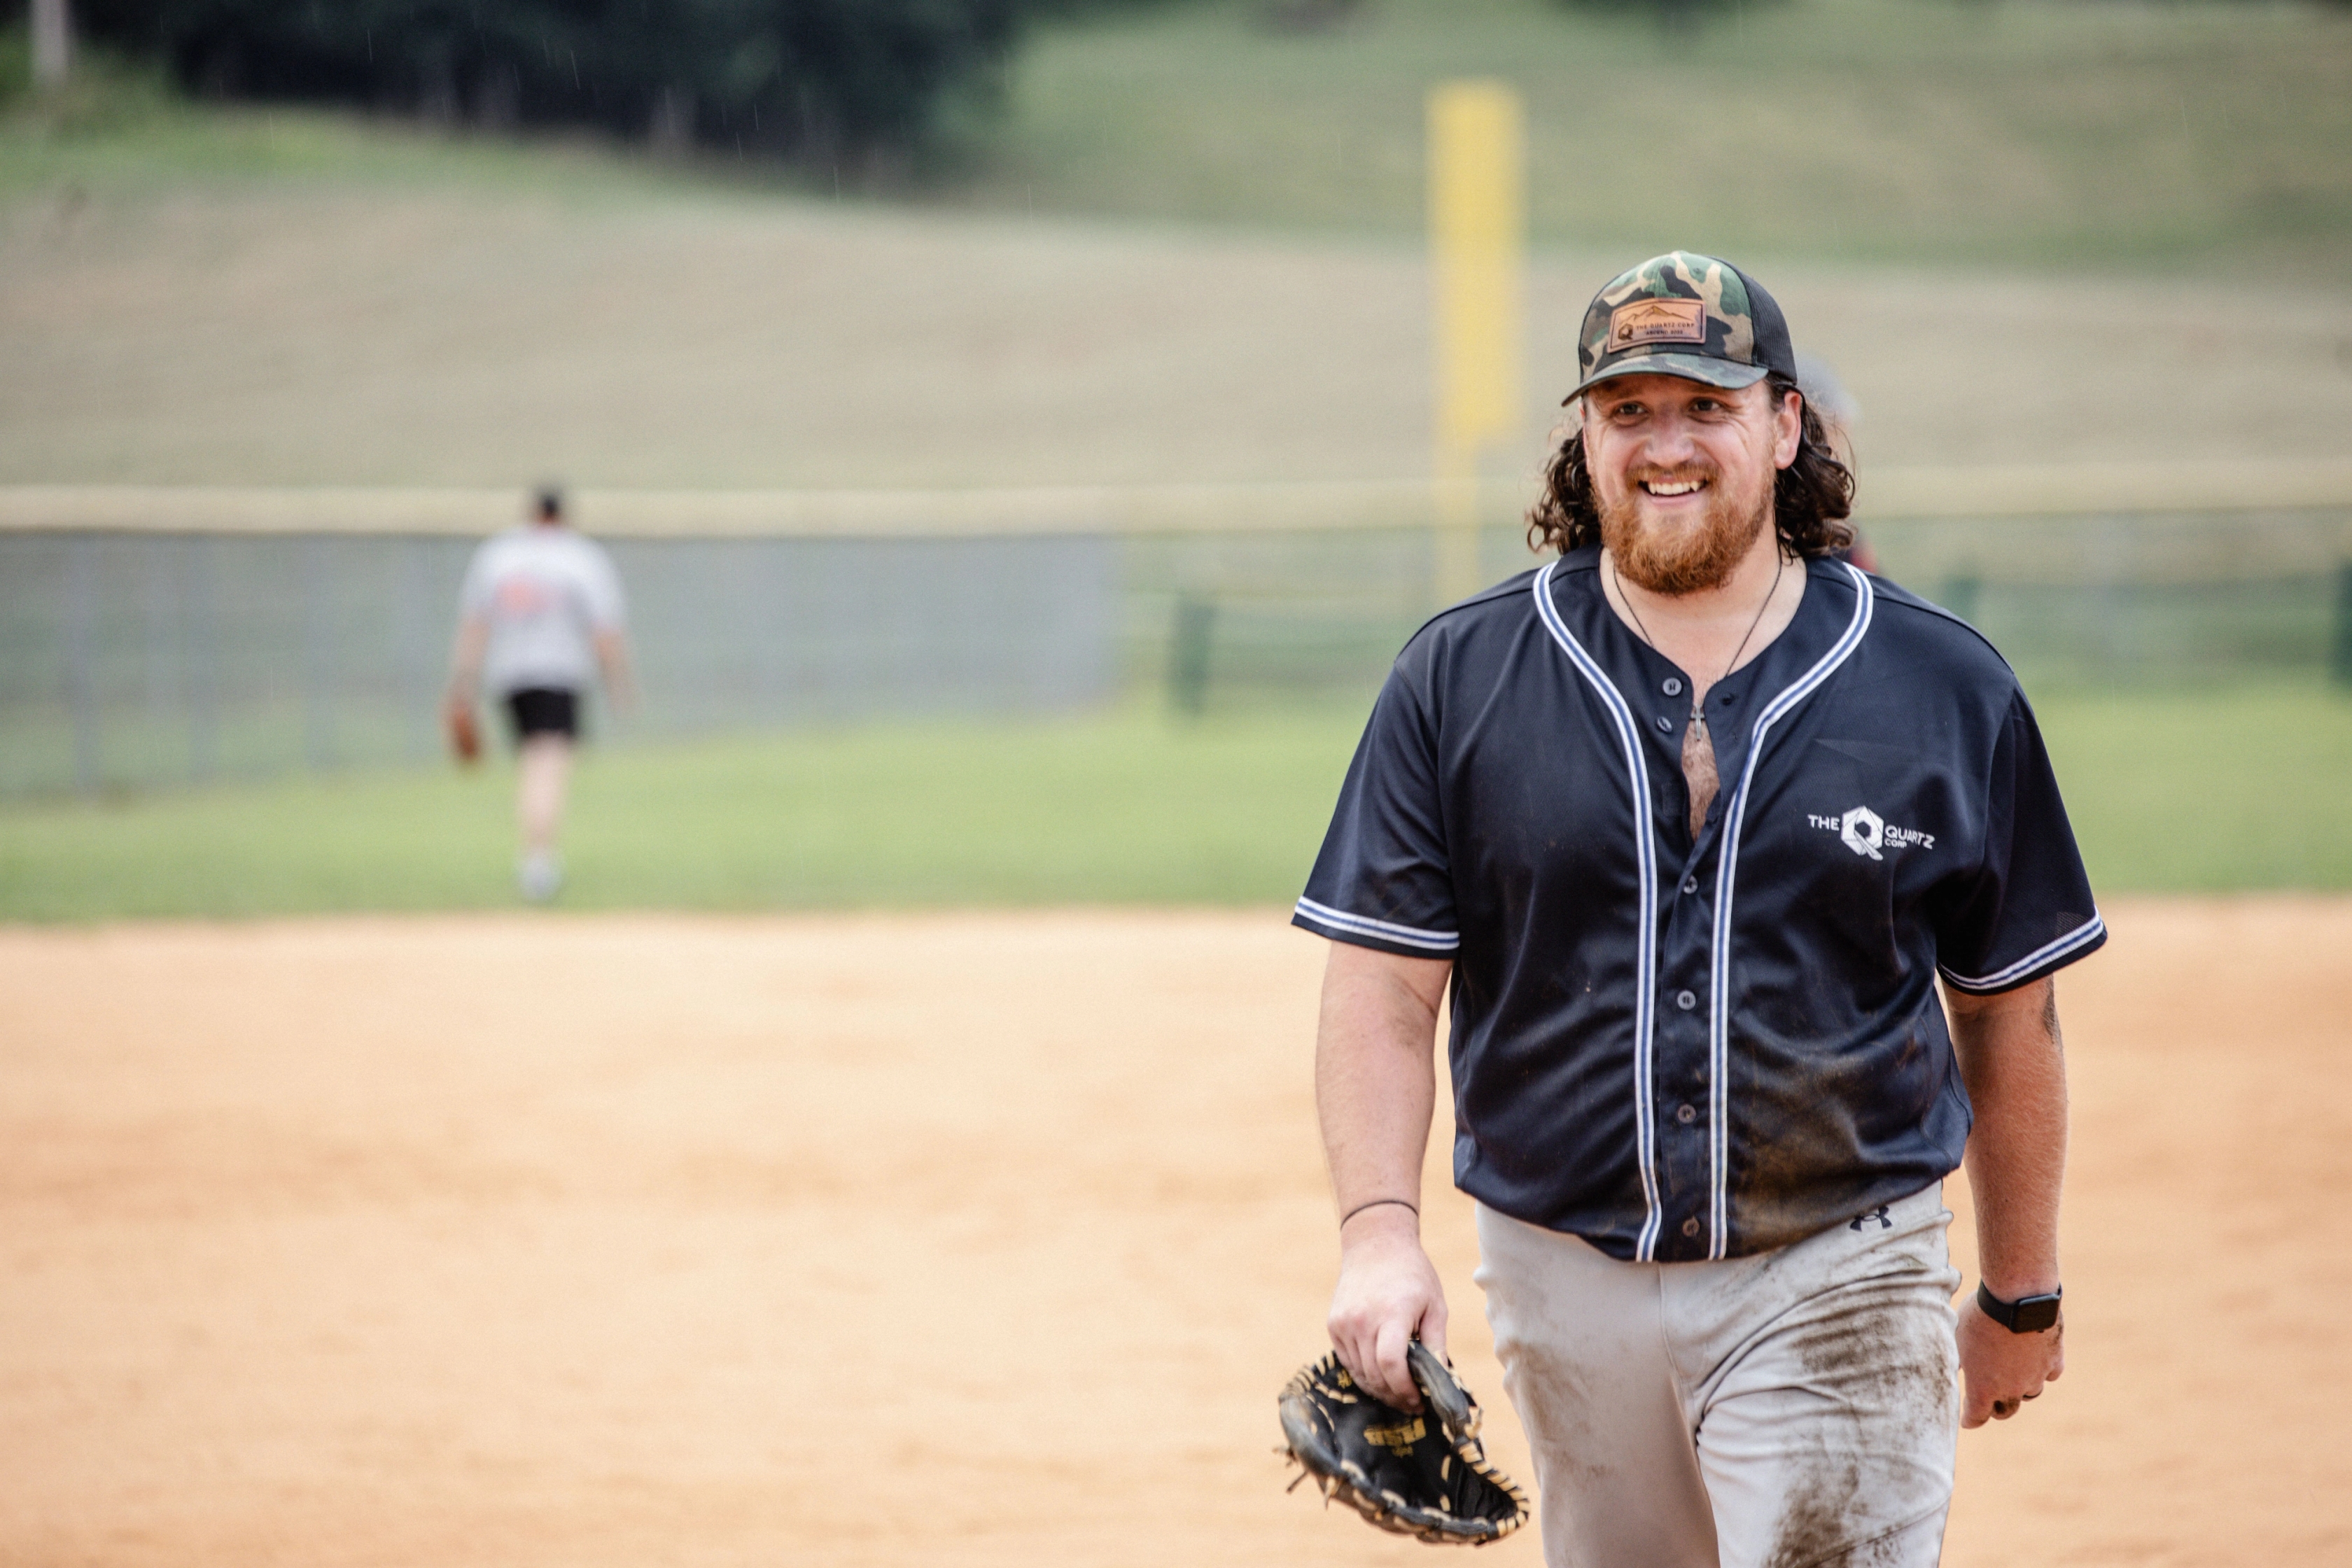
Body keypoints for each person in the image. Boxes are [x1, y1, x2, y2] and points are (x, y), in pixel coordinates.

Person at [1294, 252, 2100, 1567]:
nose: (1665, 443)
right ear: (1585, 438)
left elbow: (2010, 1013)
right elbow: (1384, 985)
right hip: (1558, 1271)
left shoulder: (1943, 687)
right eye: (1629, 410)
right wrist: (1379, 1238)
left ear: (1785, 427)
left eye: (1706, 407)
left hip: (1842, 1261)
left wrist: (2023, 1290)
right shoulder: (1461, 677)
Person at [445, 487, 633, 902]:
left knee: (531, 763)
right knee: (546, 768)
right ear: (563, 516)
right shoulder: (580, 556)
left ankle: (536, 856)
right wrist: (618, 684)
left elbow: (475, 624)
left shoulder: (498, 555)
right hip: (559, 675)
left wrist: (462, 684)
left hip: (509, 678)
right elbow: (604, 630)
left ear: (530, 513)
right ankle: (538, 862)